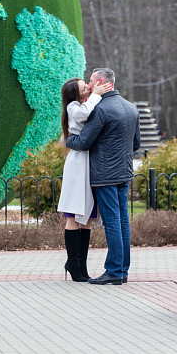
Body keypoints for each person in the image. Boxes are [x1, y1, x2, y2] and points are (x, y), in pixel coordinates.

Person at [66, 68, 140, 285]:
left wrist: (68, 140)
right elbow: (136, 144)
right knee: (123, 221)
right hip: (124, 173)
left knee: (112, 222)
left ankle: (114, 271)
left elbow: (83, 142)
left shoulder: (100, 109)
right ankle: (123, 270)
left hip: (105, 175)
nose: (89, 84)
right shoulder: (131, 107)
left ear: (100, 82)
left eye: (90, 80)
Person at [58, 77, 112, 282]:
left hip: (88, 164)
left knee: (87, 216)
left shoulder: (84, 104)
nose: (89, 88)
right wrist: (96, 95)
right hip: (78, 164)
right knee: (73, 214)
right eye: (84, 87)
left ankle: (81, 265)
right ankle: (73, 262)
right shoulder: (73, 107)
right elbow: (83, 114)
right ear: (76, 94)